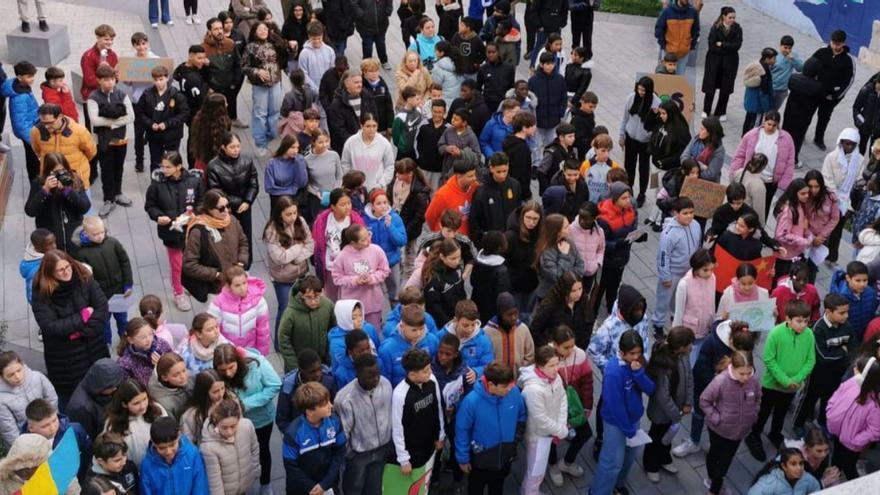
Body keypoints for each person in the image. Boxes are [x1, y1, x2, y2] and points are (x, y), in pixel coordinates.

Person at [31, 250, 110, 407]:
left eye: (68, 266)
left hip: (95, 348)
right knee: (75, 400)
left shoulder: (84, 277)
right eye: (60, 270)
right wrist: (83, 316)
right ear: (50, 273)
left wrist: (79, 333)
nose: (66, 272)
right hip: (66, 360)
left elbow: (102, 309)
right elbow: (50, 326)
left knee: (104, 390)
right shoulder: (42, 293)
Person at [745, 300, 816, 462]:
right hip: (772, 385)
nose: (803, 325)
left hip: (793, 386)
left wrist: (796, 379)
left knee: (781, 412)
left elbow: (810, 360)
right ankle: (754, 435)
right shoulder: (776, 333)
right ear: (788, 319)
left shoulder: (809, 335)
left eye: (806, 321)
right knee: (763, 411)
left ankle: (775, 433)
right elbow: (769, 359)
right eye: (799, 321)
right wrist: (785, 380)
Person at [591, 330, 656, 495]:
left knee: (629, 455)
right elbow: (615, 406)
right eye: (632, 353)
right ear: (621, 352)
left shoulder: (638, 365)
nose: (636, 357)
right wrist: (628, 430)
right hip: (616, 423)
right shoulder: (613, 372)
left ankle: (617, 484)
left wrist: (638, 374)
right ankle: (599, 491)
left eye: (639, 353)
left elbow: (650, 389)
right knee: (612, 462)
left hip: (633, 419)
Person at [213, 343, 281, 492]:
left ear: (238, 361)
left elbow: (275, 385)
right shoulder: (217, 375)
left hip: (261, 420)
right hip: (234, 424)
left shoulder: (257, 364)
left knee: (263, 451)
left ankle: (265, 483)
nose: (228, 373)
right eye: (223, 370)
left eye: (231, 367)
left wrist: (244, 404)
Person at [144, 152, 203, 311]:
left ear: (179, 167)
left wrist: (195, 214)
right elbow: (150, 206)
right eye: (163, 166)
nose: (164, 170)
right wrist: (158, 216)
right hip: (171, 231)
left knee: (192, 260)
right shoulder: (157, 184)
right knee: (177, 264)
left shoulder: (194, 181)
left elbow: (202, 201)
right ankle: (178, 292)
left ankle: (189, 284)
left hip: (192, 229)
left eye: (168, 167)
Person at [700, 350, 761, 495]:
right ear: (733, 368)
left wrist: (754, 413)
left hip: (739, 432)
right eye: (742, 373)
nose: (746, 377)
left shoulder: (753, 380)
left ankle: (715, 485)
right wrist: (717, 418)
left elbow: (758, 397)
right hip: (719, 429)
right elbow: (704, 401)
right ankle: (714, 485)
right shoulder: (721, 381)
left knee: (724, 461)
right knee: (715, 455)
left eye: (749, 373)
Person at [332, 354, 391, 495]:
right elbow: (343, 432)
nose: (375, 379)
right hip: (358, 455)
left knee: (375, 489)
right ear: (357, 375)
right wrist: (350, 454)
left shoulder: (386, 384)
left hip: (382, 449)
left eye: (377, 375)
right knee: (354, 488)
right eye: (370, 377)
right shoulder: (344, 399)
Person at [642, 326, 694, 483]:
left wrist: (688, 402)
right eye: (689, 344)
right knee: (656, 438)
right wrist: (676, 414)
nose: (691, 346)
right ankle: (650, 465)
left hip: (675, 411)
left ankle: (664, 458)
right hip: (661, 413)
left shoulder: (684, 356)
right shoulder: (663, 365)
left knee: (667, 438)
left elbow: (689, 377)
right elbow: (662, 396)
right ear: (681, 347)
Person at [71, 216, 132, 343]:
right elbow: (85, 278)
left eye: (102, 232)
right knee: (104, 323)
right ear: (86, 233)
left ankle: (126, 342)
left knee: (122, 320)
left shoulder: (113, 243)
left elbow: (124, 262)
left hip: (119, 291)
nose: (100, 236)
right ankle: (106, 343)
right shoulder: (82, 253)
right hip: (101, 296)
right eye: (95, 234)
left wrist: (128, 284)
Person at [543, 326, 591, 486]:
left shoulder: (580, 355)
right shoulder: (546, 358)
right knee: (551, 440)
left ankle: (566, 463)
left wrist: (587, 405)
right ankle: (553, 466)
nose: (571, 350)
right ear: (555, 344)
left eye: (572, 345)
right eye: (566, 347)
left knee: (585, 433)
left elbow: (587, 382)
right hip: (553, 408)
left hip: (574, 405)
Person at [182, 189, 249, 302]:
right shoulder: (198, 231)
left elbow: (243, 242)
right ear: (209, 209)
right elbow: (189, 265)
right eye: (221, 208)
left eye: (228, 206)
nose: (226, 211)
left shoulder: (232, 220)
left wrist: (241, 262)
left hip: (236, 281)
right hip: (215, 289)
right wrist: (216, 275)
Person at [730, 112, 796, 219]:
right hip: (751, 177)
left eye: (774, 125)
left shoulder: (786, 139)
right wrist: (735, 172)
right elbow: (740, 155)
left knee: (764, 207)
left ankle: (759, 224)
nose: (771, 127)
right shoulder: (752, 135)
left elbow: (790, 162)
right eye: (769, 124)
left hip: (770, 182)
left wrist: (784, 182)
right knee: (745, 203)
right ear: (764, 121)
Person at [207, 133, 259, 268]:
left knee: (245, 237)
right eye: (232, 147)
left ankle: (246, 265)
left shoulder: (247, 160)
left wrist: (247, 201)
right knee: (229, 238)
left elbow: (253, 182)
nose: (236, 150)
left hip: (245, 207)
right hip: (226, 210)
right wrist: (237, 202)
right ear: (223, 147)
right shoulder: (214, 166)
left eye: (238, 146)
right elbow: (216, 191)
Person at [390, 348, 444, 477]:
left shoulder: (432, 380)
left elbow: (438, 409)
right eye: (425, 371)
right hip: (412, 450)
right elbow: (397, 428)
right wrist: (403, 459)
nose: (430, 372)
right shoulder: (399, 394)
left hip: (431, 443)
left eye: (430, 368)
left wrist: (440, 436)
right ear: (412, 374)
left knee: (431, 476)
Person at [825, 356, 880, 481]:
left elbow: (875, 431)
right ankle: (834, 480)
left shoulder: (875, 404)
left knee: (849, 467)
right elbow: (836, 394)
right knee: (835, 459)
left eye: (858, 369)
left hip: (851, 444)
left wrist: (856, 440)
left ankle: (855, 486)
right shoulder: (852, 382)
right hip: (837, 432)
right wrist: (830, 411)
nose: (854, 369)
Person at [24, 153, 91, 255]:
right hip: (51, 240)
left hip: (74, 238)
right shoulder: (38, 184)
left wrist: (69, 191)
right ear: (48, 172)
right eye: (56, 172)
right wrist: (44, 191)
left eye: (63, 171)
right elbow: (30, 211)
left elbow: (85, 207)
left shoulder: (74, 180)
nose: (60, 175)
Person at [652, 197, 701, 336]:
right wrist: (665, 276)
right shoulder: (669, 233)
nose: (689, 216)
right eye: (685, 213)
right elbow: (663, 256)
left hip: (688, 272)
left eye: (691, 212)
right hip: (672, 272)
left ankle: (676, 316)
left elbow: (697, 246)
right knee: (664, 299)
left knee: (680, 298)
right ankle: (658, 323)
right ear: (675, 213)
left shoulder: (696, 225)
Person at [331, 224, 391, 329]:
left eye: (368, 236)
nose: (368, 240)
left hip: (372, 303)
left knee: (373, 331)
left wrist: (372, 278)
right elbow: (337, 278)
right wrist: (354, 280)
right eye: (363, 240)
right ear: (353, 243)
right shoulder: (342, 256)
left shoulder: (376, 250)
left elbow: (385, 270)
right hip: (352, 305)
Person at [30, 103, 97, 192]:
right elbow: (37, 150)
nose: (46, 126)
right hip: (51, 182)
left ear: (60, 117)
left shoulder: (79, 131)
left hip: (76, 181)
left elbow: (91, 151)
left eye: (50, 122)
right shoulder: (36, 131)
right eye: (43, 123)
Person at [103, 378, 169, 467]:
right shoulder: (113, 425)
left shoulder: (157, 410)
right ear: (124, 404)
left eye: (144, 399)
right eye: (136, 403)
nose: (142, 406)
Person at [595, 183, 639, 313]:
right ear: (615, 198)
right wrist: (615, 245)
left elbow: (632, 229)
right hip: (607, 261)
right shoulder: (604, 218)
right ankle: (593, 313)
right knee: (600, 288)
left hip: (622, 258)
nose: (628, 201)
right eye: (624, 198)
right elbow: (600, 242)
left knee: (614, 286)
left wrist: (637, 236)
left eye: (629, 197)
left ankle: (611, 309)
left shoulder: (630, 211)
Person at [136, 66, 189, 174]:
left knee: (172, 161)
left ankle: (173, 180)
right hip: (154, 135)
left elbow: (184, 114)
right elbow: (140, 112)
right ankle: (156, 181)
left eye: (161, 79)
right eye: (155, 80)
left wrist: (167, 124)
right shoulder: (147, 94)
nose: (158, 83)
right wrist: (150, 124)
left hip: (172, 136)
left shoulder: (176, 95)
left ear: (167, 78)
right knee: (155, 163)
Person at [208, 265, 271, 356]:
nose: (242, 288)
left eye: (244, 283)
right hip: (229, 353)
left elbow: (263, 329)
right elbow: (213, 331)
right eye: (237, 285)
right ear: (228, 286)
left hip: (251, 351)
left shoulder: (258, 300)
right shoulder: (218, 304)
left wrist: (262, 354)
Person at [821, 128, 863, 262]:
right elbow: (827, 178)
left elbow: (858, 180)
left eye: (852, 144)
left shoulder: (859, 160)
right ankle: (820, 251)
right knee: (825, 226)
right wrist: (836, 197)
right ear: (841, 142)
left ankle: (832, 256)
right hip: (830, 198)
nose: (849, 147)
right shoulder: (831, 157)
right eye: (847, 143)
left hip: (846, 201)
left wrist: (847, 201)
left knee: (837, 230)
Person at [811, 30, 856, 151]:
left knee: (824, 118)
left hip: (830, 98)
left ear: (844, 43)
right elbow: (809, 68)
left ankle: (818, 139)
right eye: (833, 43)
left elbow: (849, 81)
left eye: (838, 44)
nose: (835, 46)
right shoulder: (821, 52)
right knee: (807, 114)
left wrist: (836, 95)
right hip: (814, 92)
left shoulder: (848, 60)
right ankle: (802, 132)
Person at [0, 351, 57, 447]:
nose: (17, 377)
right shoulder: (2, 399)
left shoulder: (38, 377)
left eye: (19, 370)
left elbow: (52, 400)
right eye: (11, 375)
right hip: (26, 440)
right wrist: (24, 448)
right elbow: (9, 431)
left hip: (49, 429)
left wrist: (53, 424)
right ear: (1, 376)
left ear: (23, 364)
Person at [619, 76, 661, 207]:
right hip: (630, 138)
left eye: (643, 90)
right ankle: (629, 188)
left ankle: (642, 193)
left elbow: (657, 125)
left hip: (645, 142)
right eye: (639, 89)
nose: (640, 92)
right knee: (629, 166)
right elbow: (625, 118)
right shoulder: (631, 98)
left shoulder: (656, 103)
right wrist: (621, 135)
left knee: (643, 168)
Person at [139, 417, 209, 493]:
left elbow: (200, 487)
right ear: (153, 444)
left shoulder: (192, 455)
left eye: (172, 445)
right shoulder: (147, 465)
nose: (168, 452)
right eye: (162, 448)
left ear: (179, 435)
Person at [671, 249, 717, 364]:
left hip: (706, 327)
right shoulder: (684, 284)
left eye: (711, 269)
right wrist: (675, 335)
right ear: (696, 268)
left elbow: (712, 303)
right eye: (705, 270)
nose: (709, 273)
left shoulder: (713, 278)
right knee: (686, 361)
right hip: (688, 330)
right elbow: (679, 312)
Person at [65, 358, 123, 440]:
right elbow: (85, 439)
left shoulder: (96, 387)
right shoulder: (80, 408)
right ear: (101, 386)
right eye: (111, 386)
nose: (115, 388)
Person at [1, 62, 40, 182]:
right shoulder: (20, 97)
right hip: (29, 134)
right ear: (19, 77)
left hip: (32, 128)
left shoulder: (21, 87)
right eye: (29, 77)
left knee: (33, 160)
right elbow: (20, 124)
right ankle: (35, 184)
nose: (32, 79)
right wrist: (32, 141)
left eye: (33, 76)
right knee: (33, 161)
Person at [202, 18, 244, 128]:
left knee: (231, 106)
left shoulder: (230, 43)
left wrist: (235, 82)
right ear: (209, 31)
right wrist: (209, 88)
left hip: (230, 86)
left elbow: (238, 64)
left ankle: (232, 121)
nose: (220, 31)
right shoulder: (203, 48)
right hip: (214, 89)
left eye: (221, 28)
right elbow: (201, 73)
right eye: (216, 29)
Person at [327, 69, 380, 156]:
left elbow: (375, 117)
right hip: (347, 149)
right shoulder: (337, 104)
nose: (360, 85)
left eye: (361, 82)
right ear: (346, 84)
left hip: (368, 144)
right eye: (356, 82)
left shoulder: (367, 96)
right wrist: (357, 142)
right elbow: (339, 130)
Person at [702, 7, 741, 120]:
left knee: (726, 88)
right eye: (730, 17)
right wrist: (727, 47)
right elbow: (712, 45)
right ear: (724, 16)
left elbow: (737, 46)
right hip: (714, 62)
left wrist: (722, 44)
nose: (732, 20)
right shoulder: (715, 27)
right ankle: (706, 110)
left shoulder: (737, 29)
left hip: (730, 63)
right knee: (710, 86)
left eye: (734, 17)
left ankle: (721, 112)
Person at [116, 317, 173, 390]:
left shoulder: (161, 344)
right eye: (143, 337)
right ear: (130, 340)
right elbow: (128, 388)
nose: (148, 339)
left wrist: (163, 364)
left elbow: (175, 364)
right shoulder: (125, 363)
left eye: (150, 334)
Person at [773, 179, 812, 280]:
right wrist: (803, 241)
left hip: (793, 253)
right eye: (803, 193)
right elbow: (781, 235)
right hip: (785, 255)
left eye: (807, 193)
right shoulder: (789, 210)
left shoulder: (799, 205)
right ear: (794, 193)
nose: (807, 196)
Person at [830, 261, 878, 344]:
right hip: (846, 339)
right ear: (848, 278)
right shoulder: (839, 297)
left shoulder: (871, 293)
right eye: (858, 280)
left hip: (863, 337)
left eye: (865, 280)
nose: (862, 284)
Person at [748, 448, 821, 494]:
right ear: (784, 466)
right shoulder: (769, 484)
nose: (799, 468)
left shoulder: (807, 479)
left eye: (801, 463)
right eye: (793, 464)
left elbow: (817, 489)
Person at [654, 0, 699, 74]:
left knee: (680, 77)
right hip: (668, 51)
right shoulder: (667, 11)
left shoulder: (693, 12)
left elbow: (696, 31)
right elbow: (659, 29)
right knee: (665, 77)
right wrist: (663, 46)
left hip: (684, 53)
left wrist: (691, 46)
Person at [146, 353, 192, 422]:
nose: (183, 376)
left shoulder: (190, 377)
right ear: (164, 377)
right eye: (176, 375)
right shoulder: (164, 404)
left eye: (184, 370)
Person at [415, 98, 449, 189]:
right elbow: (415, 142)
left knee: (435, 193)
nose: (437, 114)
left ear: (444, 112)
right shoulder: (423, 125)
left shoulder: (448, 128)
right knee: (422, 192)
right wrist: (419, 158)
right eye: (435, 111)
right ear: (431, 111)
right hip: (423, 167)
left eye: (440, 112)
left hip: (439, 170)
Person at [650, 100, 692, 174]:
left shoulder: (681, 130)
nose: (661, 116)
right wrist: (652, 113)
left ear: (671, 113)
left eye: (664, 113)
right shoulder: (661, 120)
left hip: (669, 170)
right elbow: (647, 126)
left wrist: (665, 162)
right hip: (656, 164)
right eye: (660, 113)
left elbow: (684, 152)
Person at [681, 117, 725, 183]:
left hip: (706, 183)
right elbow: (684, 156)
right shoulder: (696, 139)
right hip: (689, 177)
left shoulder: (718, 150)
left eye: (702, 129)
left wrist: (694, 174)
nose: (699, 131)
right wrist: (699, 166)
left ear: (710, 132)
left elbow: (710, 174)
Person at [770, 35, 804, 111]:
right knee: (766, 108)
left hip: (783, 90)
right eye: (785, 48)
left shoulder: (793, 56)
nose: (787, 50)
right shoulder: (775, 56)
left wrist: (793, 59)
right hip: (771, 88)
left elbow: (800, 68)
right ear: (780, 46)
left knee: (774, 110)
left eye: (789, 48)